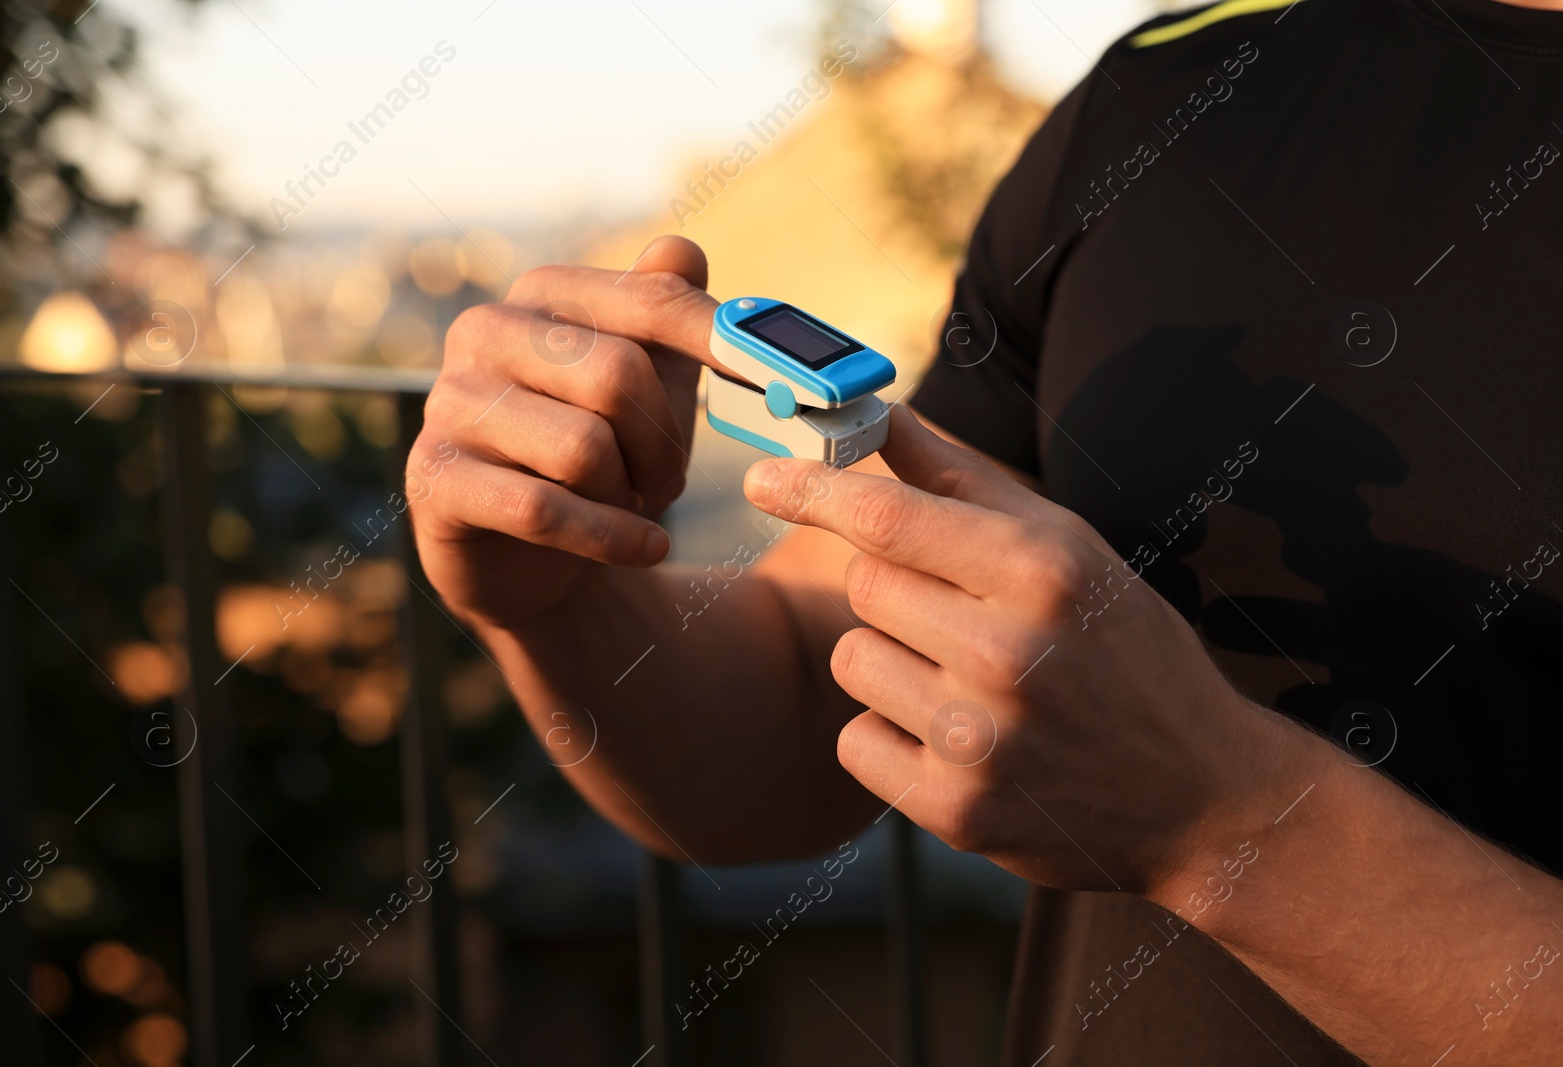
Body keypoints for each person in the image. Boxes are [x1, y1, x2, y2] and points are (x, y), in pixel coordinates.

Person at [409, 0, 1563, 1062]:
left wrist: (1225, 823)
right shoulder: (1162, 92)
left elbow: (1196, 802)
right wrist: (557, 595)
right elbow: (815, 705)